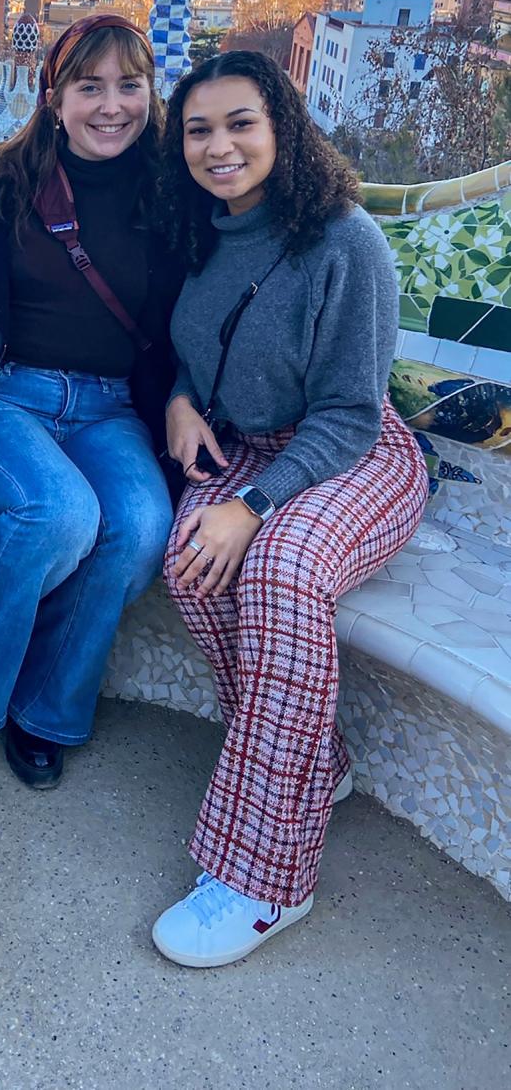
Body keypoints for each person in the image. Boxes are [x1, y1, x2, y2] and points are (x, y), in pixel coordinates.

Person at [151, 51, 427, 968]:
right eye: (198, 129)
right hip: (253, 446)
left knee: (280, 568)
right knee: (190, 565)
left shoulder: (343, 242)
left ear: (282, 130)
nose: (219, 146)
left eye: (241, 124)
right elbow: (197, 350)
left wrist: (256, 508)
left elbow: (351, 412)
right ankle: (311, 769)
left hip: (353, 455)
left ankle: (268, 876)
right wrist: (181, 398)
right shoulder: (200, 230)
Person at [0, 13, 177, 789]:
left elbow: (191, 318)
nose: (111, 106)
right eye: (89, 87)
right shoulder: (0, 181)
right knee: (60, 514)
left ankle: (47, 707)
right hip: (1, 396)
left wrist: (186, 400)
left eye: (129, 86)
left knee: (138, 527)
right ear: (53, 96)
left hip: (110, 406)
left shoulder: (172, 192)